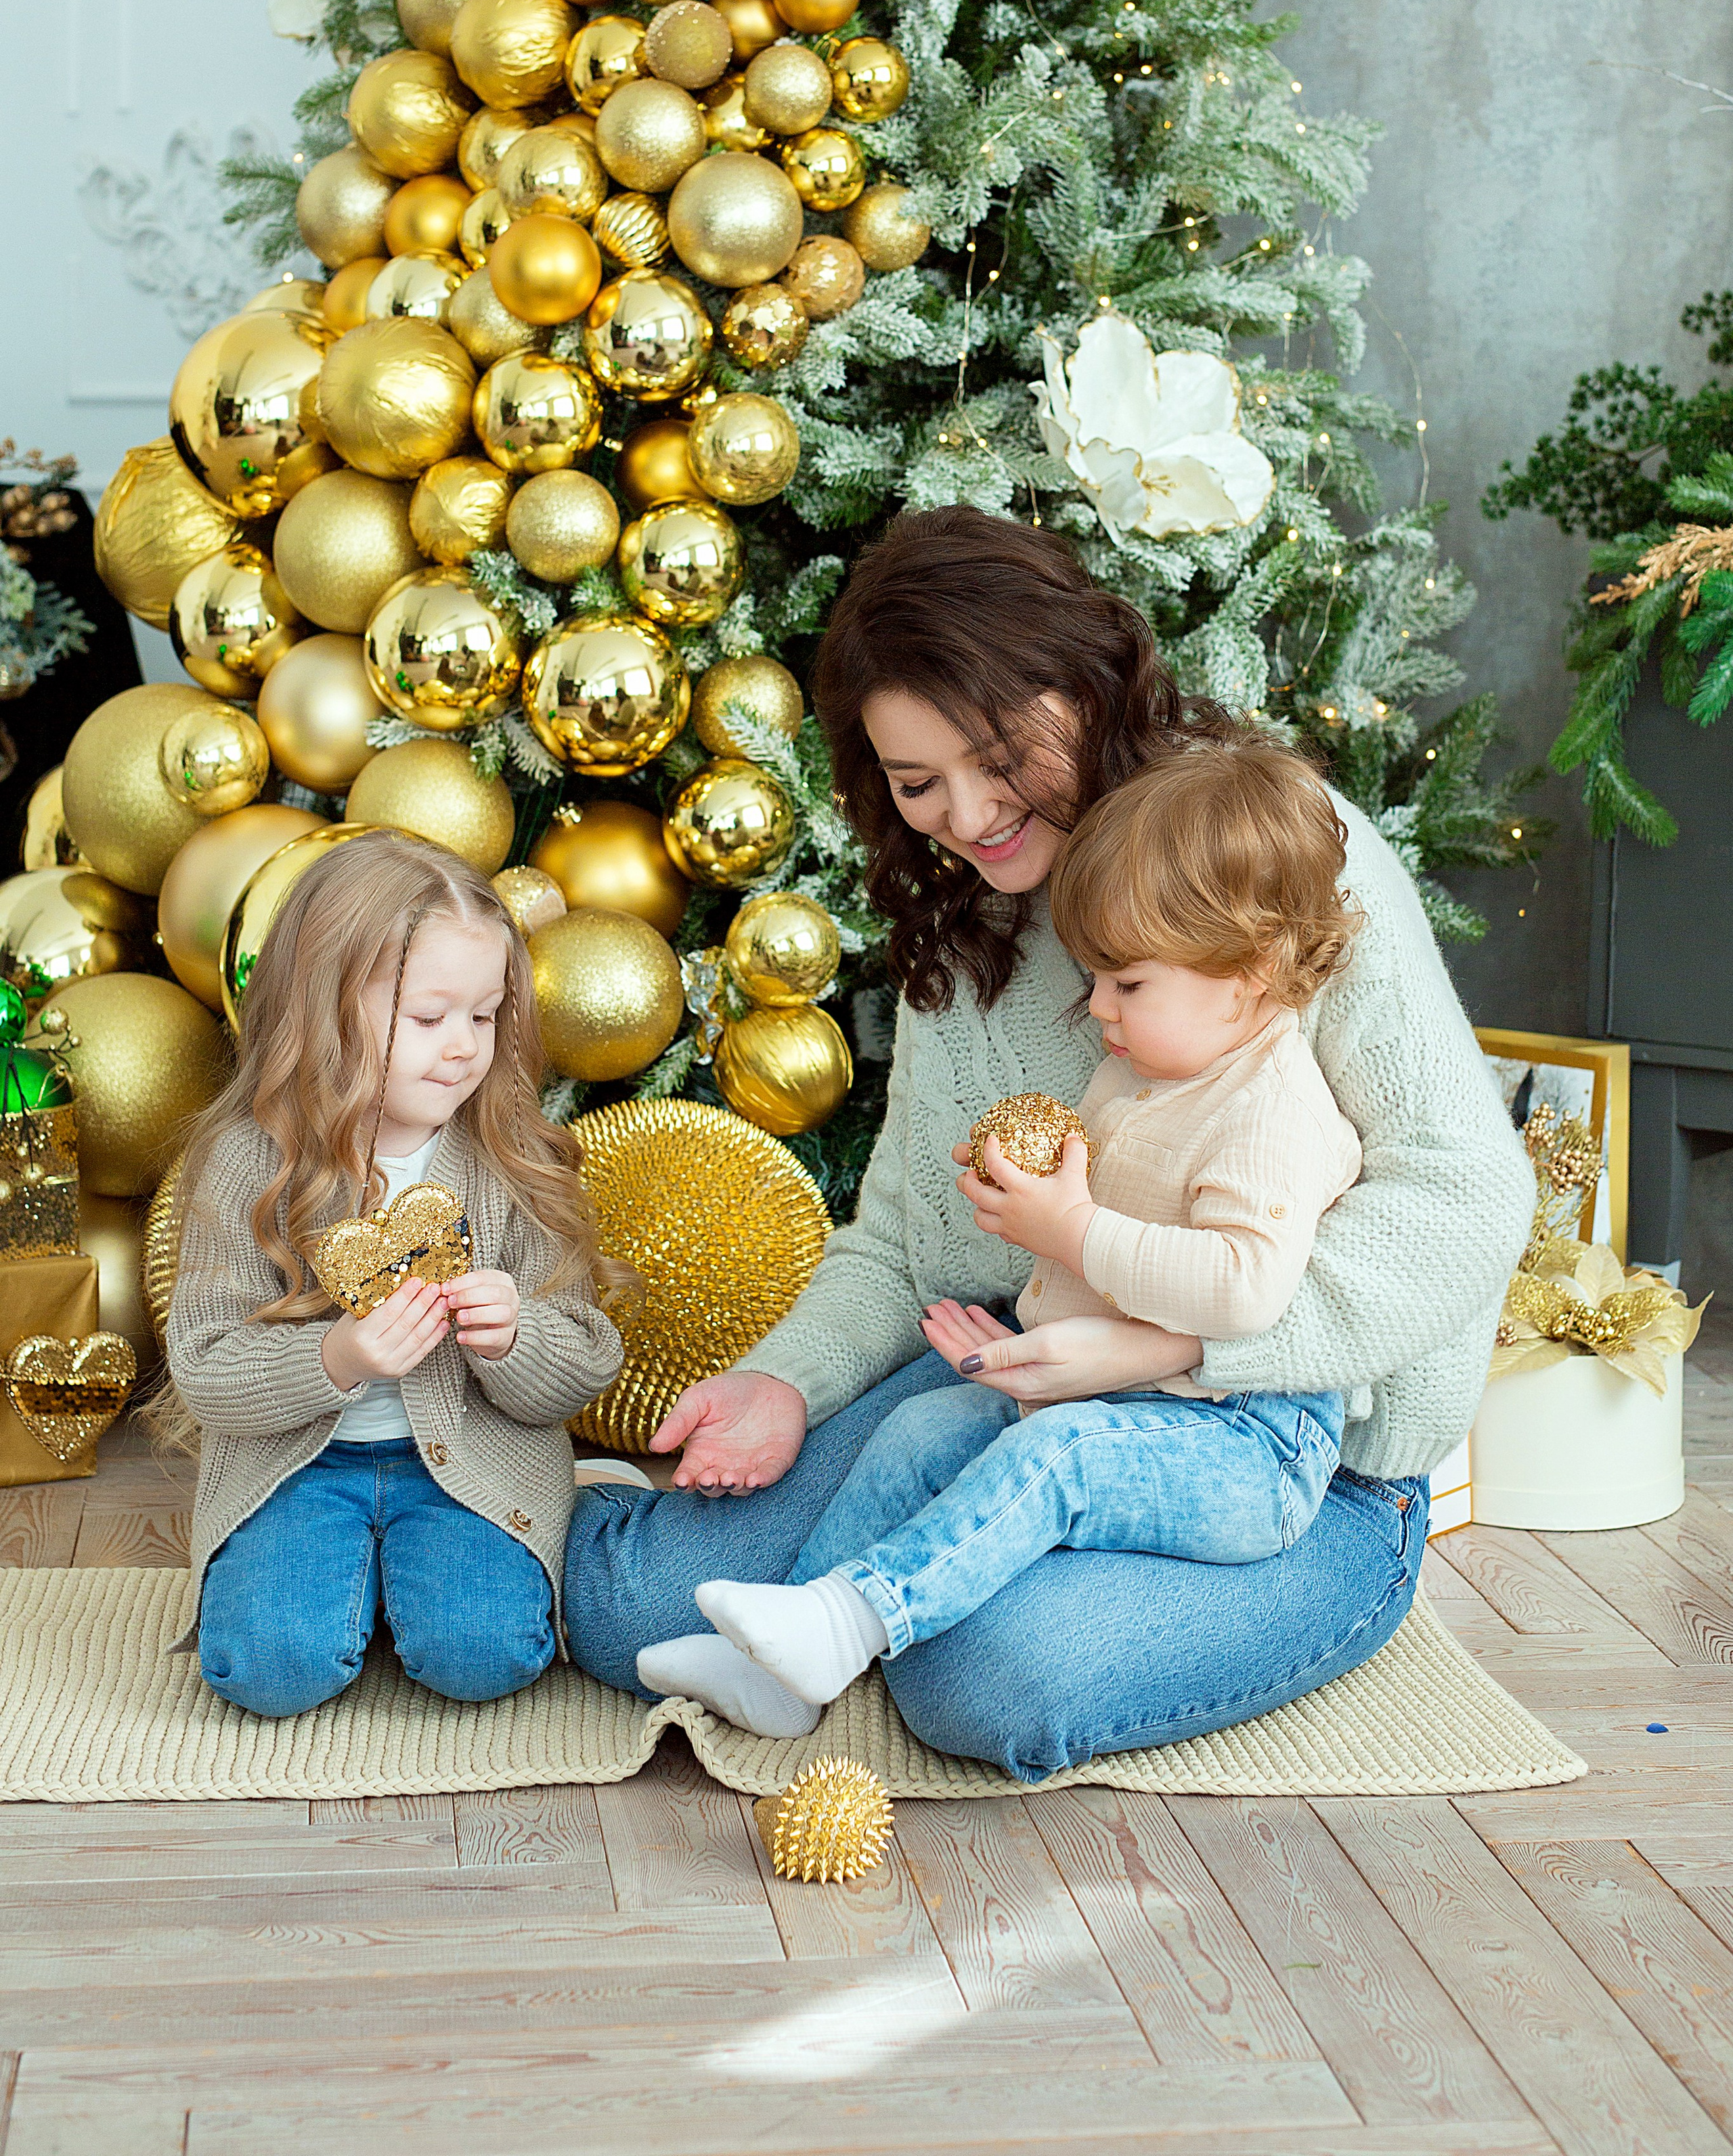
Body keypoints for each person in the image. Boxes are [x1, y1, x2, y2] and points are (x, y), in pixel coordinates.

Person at [565, 507, 1535, 1780]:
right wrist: (787, 1382)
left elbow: (1466, 1200)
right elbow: (909, 1252)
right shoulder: (959, 928)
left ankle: (907, 1611)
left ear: (1083, 684)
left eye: (994, 755)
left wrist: (1168, 1340)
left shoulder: (1275, 862)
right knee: (633, 1612)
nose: (967, 816)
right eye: (917, 785)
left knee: (987, 1677)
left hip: (1290, 1450)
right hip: (1010, 1385)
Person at [643, 735, 1365, 1733]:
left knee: (1059, 1460)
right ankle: (773, 1666)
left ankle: (854, 1620)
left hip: (1247, 1446)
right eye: (1097, 978)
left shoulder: (1271, 1110)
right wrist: (1026, 1329)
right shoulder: (1149, 1067)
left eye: (1128, 986)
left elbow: (1244, 1290)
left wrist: (1070, 1229)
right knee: (923, 1430)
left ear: (1246, 976)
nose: (1099, 1009)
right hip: (1129, 1395)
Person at [162, 834, 626, 1720]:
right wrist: (334, 1359)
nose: (462, 1048)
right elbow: (208, 1373)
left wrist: (516, 1336)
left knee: (487, 1656)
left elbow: (584, 1364)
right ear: (323, 1011)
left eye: (485, 1016)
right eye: (427, 1018)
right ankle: (342, 1580)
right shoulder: (245, 1163)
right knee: (265, 1669)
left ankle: (414, 1577)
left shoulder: (509, 1163)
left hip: (470, 1463)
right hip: (296, 1468)